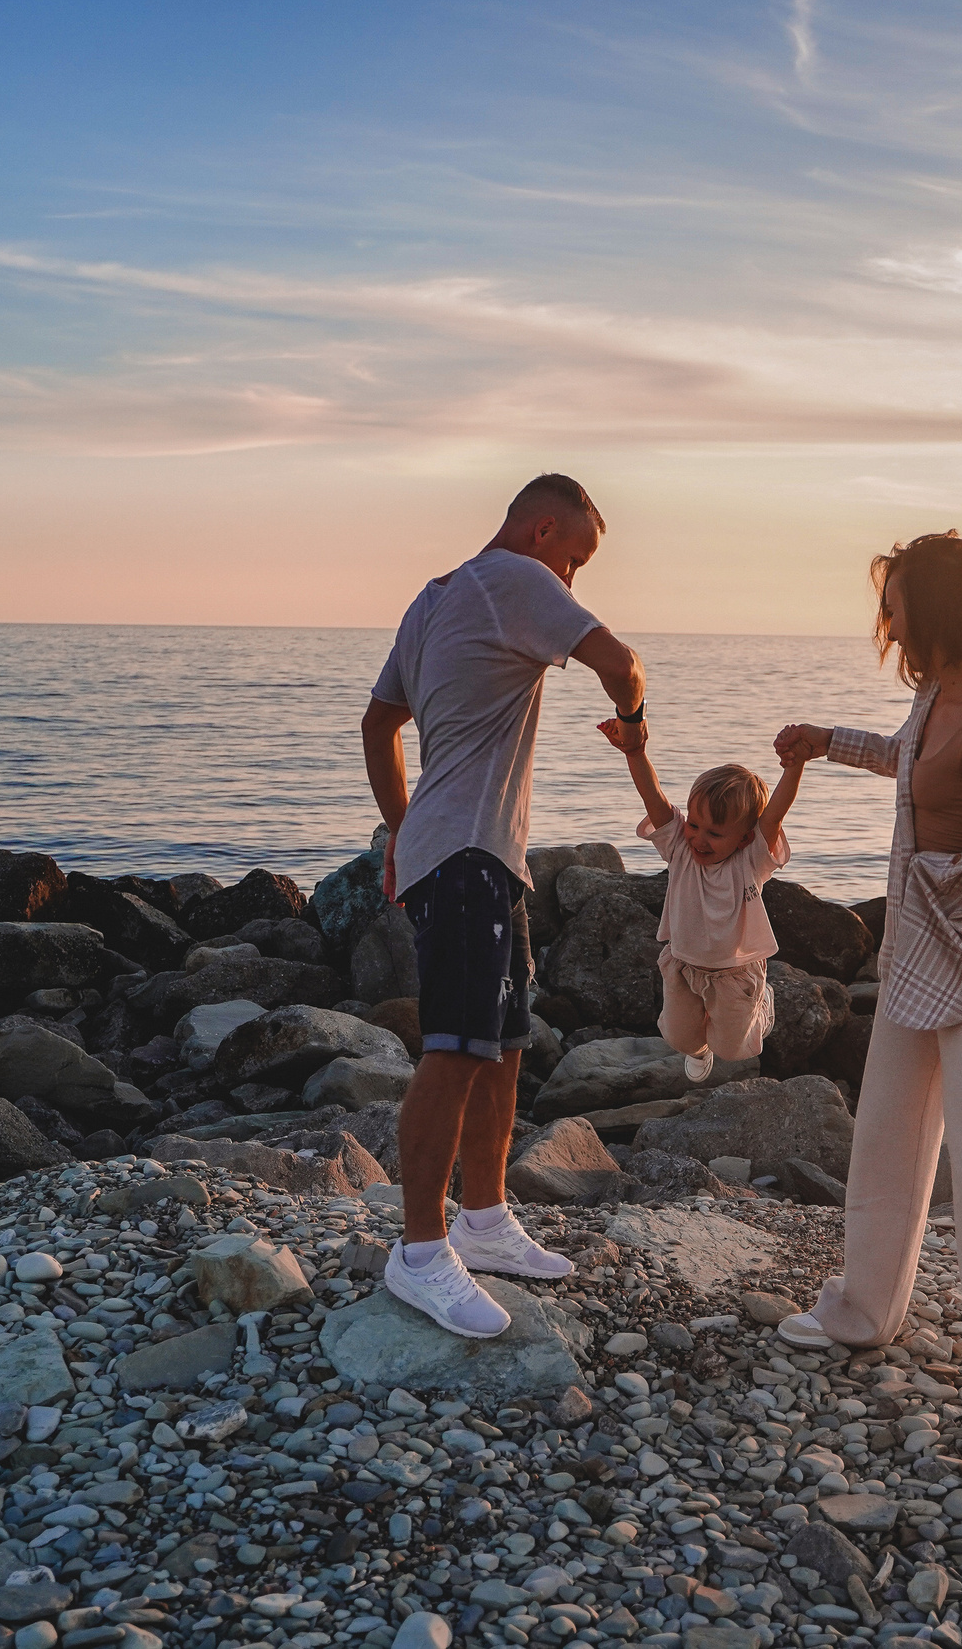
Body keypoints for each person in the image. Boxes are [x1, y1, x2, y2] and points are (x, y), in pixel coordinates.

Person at [770, 531, 962, 1470]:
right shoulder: (937, 692)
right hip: (915, 956)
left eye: (897, 600)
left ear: (934, 608)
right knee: (887, 1137)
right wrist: (827, 743)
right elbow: (908, 765)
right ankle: (865, 1309)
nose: (886, 618)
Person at [360, 473, 647, 1339]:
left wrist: (402, 833)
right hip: (469, 857)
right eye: (576, 558)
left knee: (503, 1044)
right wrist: (635, 722)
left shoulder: (437, 596)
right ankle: (418, 1253)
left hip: (470, 852)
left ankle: (483, 1220)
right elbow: (620, 663)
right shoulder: (520, 580)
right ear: (542, 530)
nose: (574, 581)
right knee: (453, 1050)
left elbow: (380, 723)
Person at [600, 728, 803, 1080]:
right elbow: (654, 799)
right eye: (695, 824)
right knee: (679, 1036)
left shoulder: (750, 860)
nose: (699, 838)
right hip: (683, 963)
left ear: (744, 838)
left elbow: (775, 815)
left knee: (732, 1048)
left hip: (735, 973)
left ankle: (762, 1005)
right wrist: (635, 752)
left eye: (715, 833)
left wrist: (794, 767)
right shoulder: (679, 847)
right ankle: (697, 1050)